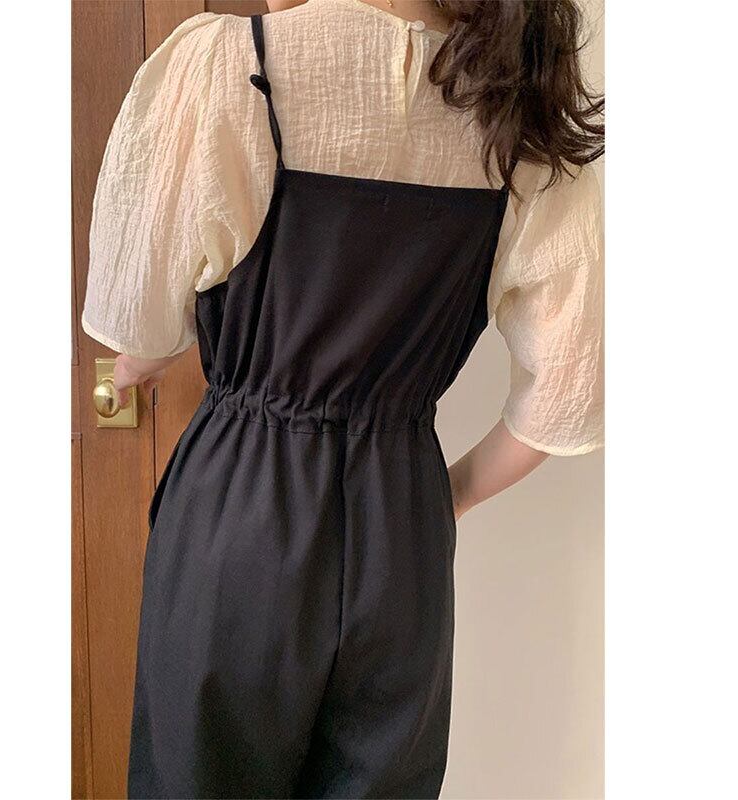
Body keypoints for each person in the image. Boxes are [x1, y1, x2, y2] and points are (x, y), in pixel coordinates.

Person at [81, 0, 604, 797]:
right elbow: (571, 392)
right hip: (401, 523)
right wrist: (441, 498)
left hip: (239, 508)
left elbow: (139, 322)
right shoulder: (515, 106)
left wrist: (134, 366)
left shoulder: (230, 65)